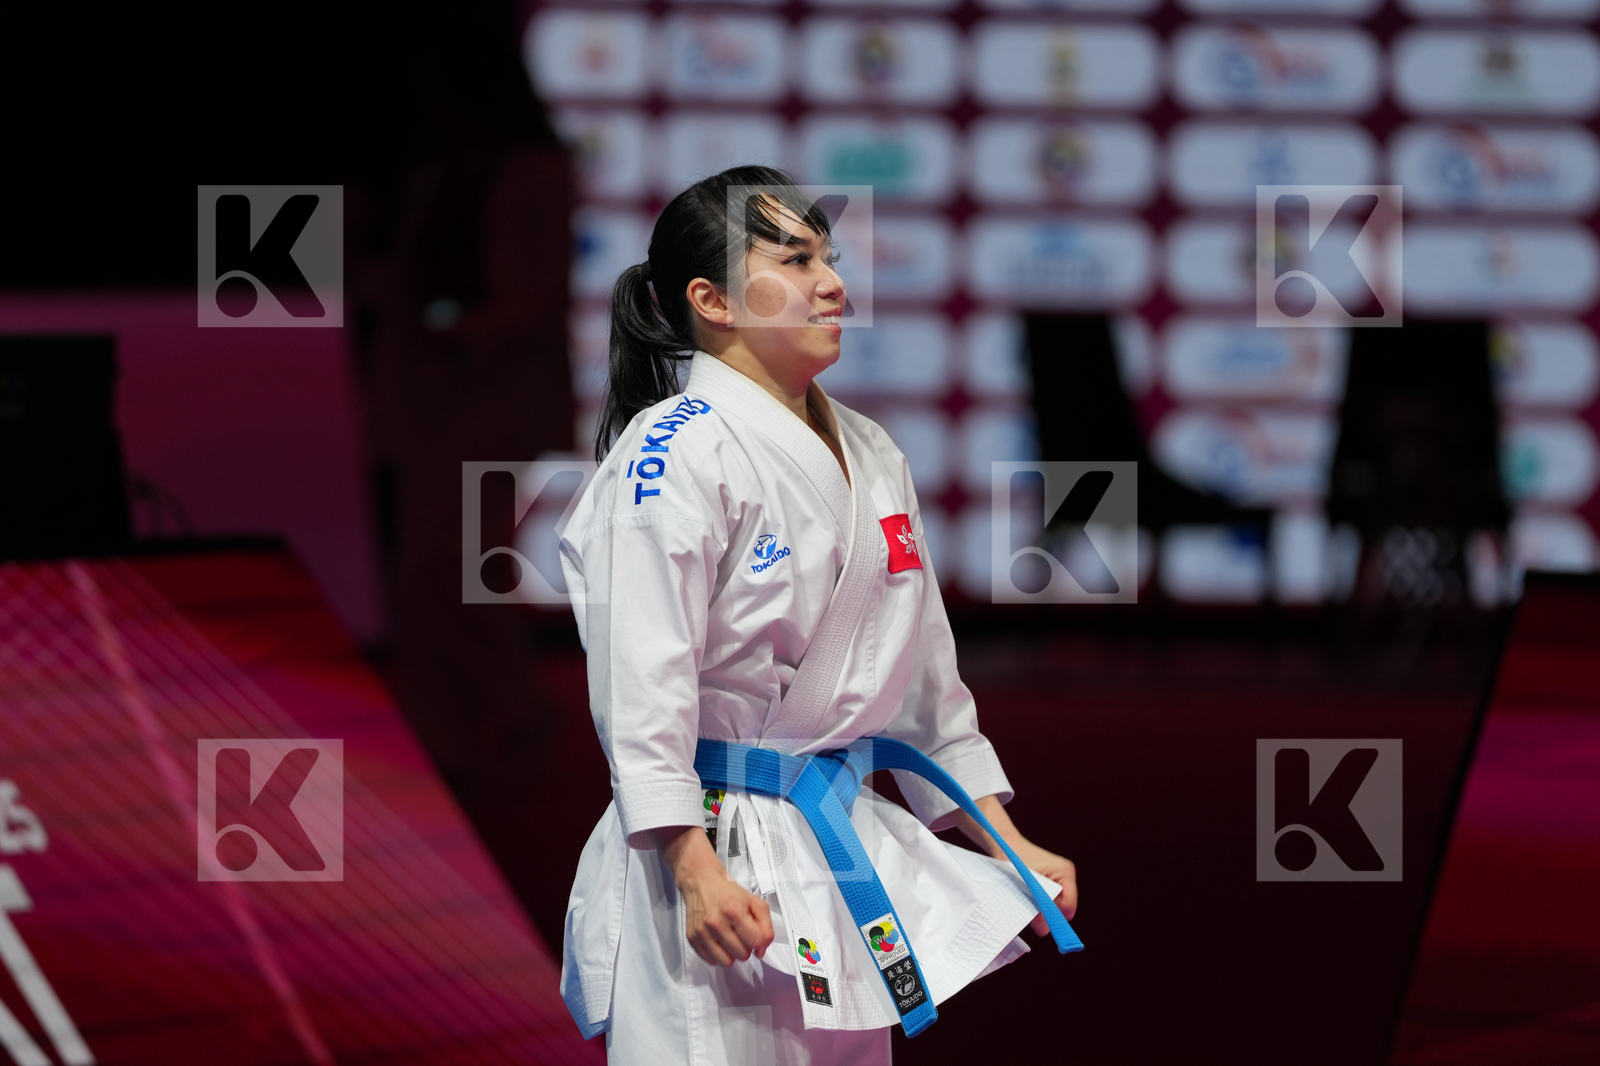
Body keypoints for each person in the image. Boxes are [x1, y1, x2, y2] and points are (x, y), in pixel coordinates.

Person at [558, 166, 1079, 1066]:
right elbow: (640, 685)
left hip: (835, 844)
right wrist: (690, 864)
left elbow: (924, 684)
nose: (833, 283)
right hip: (709, 847)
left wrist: (1006, 839)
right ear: (712, 300)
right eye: (796, 261)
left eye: (828, 259)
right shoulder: (669, 455)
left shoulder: (872, 450)